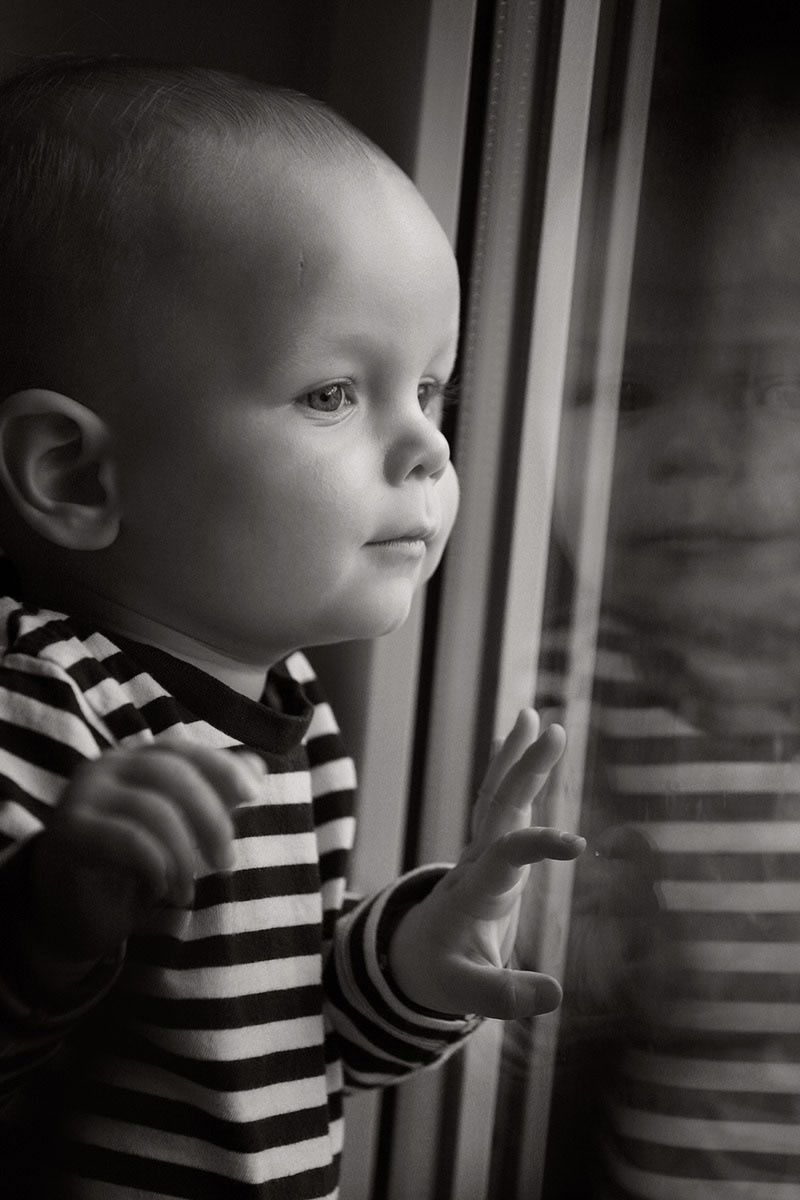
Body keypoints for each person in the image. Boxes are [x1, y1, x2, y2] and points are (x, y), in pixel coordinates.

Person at [0, 56, 585, 1199]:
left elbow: (286, 1051)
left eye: (430, 391)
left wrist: (413, 960)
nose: (428, 448)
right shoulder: (41, 699)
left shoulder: (291, 713)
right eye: (331, 394)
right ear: (74, 473)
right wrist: (54, 908)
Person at [529, 6, 800, 1195]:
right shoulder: (560, 700)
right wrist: (563, 948)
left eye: (771, 389)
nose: (690, 452)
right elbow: (475, 1035)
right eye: (622, 392)